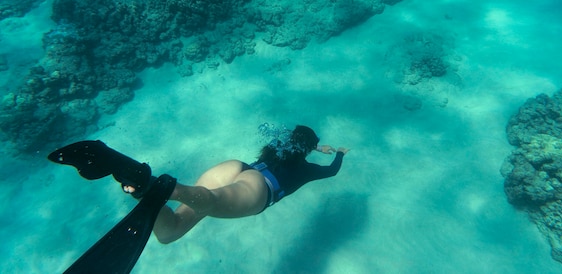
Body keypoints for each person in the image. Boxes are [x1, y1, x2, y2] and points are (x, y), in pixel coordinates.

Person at [48, 125, 349, 272]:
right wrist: (336, 153)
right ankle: (156, 184)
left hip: (236, 168)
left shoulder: (275, 146)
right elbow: (332, 171)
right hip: (258, 190)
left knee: (170, 231)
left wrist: (314, 145)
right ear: (308, 149)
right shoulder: (307, 169)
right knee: (212, 202)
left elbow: (292, 140)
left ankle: (138, 186)